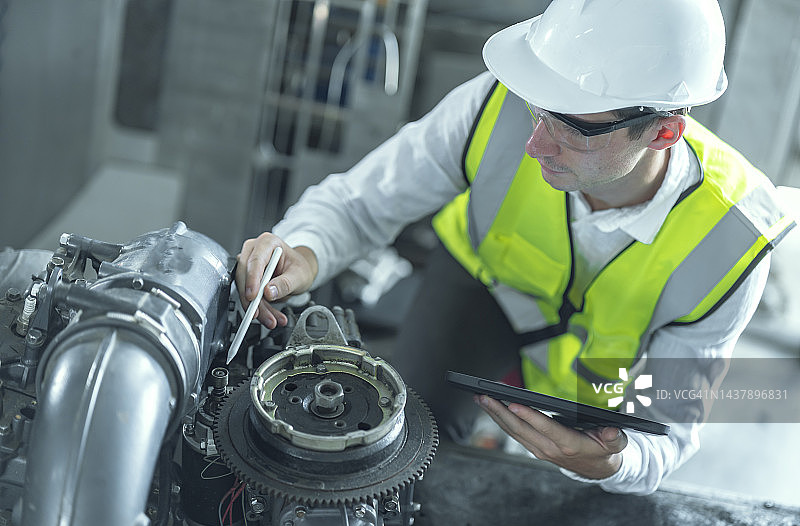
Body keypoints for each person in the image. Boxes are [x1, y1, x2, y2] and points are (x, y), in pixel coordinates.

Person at [235, 0, 794, 494]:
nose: (534, 142)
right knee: (397, 448)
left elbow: (669, 428)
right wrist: (305, 249)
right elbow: (360, 203)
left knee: (574, 498)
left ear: (663, 132)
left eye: (572, 126)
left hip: (602, 365)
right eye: (538, 108)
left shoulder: (734, 240)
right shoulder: (494, 106)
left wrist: (615, 463)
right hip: (484, 285)